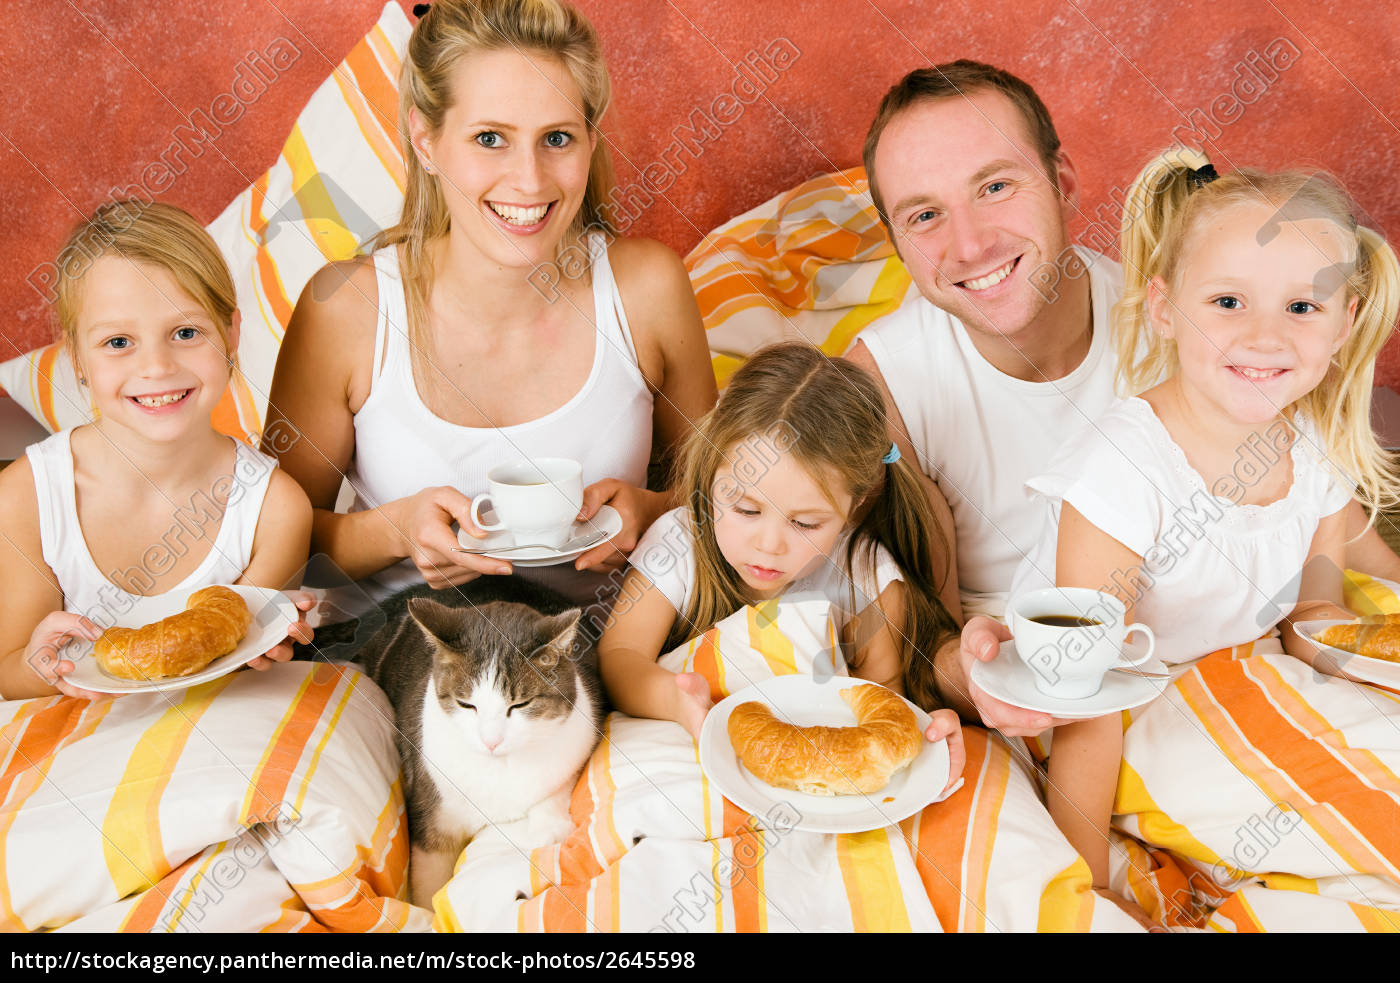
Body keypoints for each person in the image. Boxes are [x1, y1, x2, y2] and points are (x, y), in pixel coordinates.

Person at [845, 60, 1400, 737]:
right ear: (897, 243)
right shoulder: (879, 386)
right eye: (925, 214)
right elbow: (902, 622)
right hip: (1058, 685)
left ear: (1064, 184)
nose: (970, 243)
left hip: (1199, 648)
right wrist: (968, 672)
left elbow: (1310, 498)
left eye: (995, 185)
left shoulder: (1196, 323)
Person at [1009, 150, 1399, 928]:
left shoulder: (1312, 444)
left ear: (1345, 322)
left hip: (1250, 681)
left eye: (1302, 307)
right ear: (1161, 307)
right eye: (1227, 301)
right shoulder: (1124, 471)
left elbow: (1315, 616)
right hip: (1128, 715)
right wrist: (1081, 891)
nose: (1266, 336)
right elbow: (1083, 697)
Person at [262, 0, 716, 614]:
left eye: (557, 138)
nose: (529, 182)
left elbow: (718, 498)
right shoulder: (346, 309)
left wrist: (650, 511)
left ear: (590, 139)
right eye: (489, 139)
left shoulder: (648, 288)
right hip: (396, 646)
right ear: (426, 141)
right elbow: (268, 542)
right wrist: (396, 531)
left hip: (601, 645)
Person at [598, 343, 966, 791]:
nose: (769, 545)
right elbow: (620, 658)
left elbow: (880, 706)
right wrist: (675, 700)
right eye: (745, 510)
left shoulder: (867, 577)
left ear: (855, 506)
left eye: (805, 523)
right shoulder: (680, 543)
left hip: (809, 783)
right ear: (712, 471)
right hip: (687, 759)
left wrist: (923, 730)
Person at [0, 201, 314, 700]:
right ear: (77, 357)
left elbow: (226, 672)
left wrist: (265, 642)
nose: (157, 367)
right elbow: (11, 677)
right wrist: (41, 667)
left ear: (231, 335)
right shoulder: (25, 499)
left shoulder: (274, 510)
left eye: (186, 333)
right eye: (119, 342)